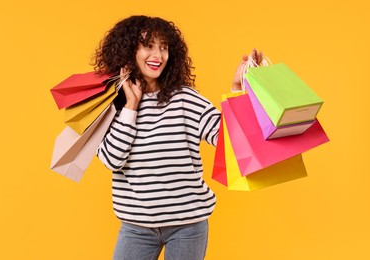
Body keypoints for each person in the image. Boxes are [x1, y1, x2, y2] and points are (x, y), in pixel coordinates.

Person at [93, 15, 262, 260]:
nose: (158, 55)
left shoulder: (185, 99)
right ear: (129, 50)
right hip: (136, 227)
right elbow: (111, 160)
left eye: (164, 47)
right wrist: (131, 105)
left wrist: (238, 89)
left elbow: (228, 138)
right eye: (148, 46)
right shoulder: (111, 105)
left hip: (188, 225)